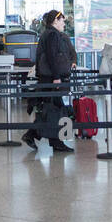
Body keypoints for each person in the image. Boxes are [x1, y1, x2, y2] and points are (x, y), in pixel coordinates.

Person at [22, 9, 73, 153]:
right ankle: (34, 135)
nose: (64, 23)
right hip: (51, 78)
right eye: (62, 20)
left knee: (52, 109)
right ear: (55, 21)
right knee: (53, 109)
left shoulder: (51, 34)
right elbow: (52, 57)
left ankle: (50, 140)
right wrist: (56, 77)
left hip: (49, 77)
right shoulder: (52, 35)